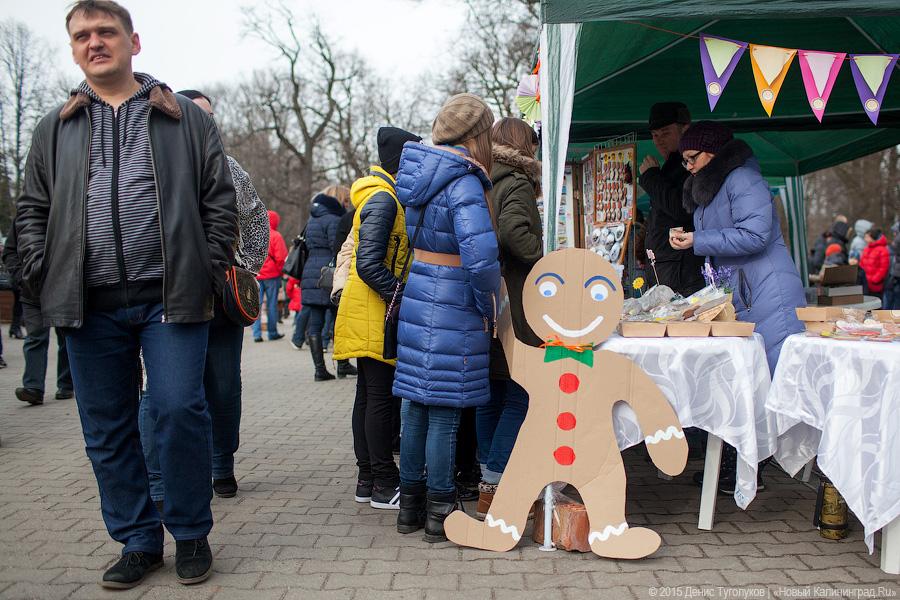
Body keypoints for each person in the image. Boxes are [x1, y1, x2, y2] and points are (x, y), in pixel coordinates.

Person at [15, 1, 238, 588]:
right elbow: (32, 211)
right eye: (82, 35)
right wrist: (43, 273)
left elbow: (220, 202)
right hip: (88, 306)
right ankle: (138, 540)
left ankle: (190, 533)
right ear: (73, 48)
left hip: (171, 298)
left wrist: (207, 267)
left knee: (177, 409)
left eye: (105, 32)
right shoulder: (54, 127)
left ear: (132, 42)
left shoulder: (185, 118)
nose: (94, 42)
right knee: (107, 427)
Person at [138, 88, 269, 510]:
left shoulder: (229, 167)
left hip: (220, 297)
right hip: (167, 295)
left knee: (224, 385)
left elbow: (256, 223)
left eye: (209, 116)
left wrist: (238, 271)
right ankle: (157, 479)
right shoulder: (149, 162)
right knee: (162, 390)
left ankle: (221, 464)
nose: (203, 121)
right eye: (196, 114)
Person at [393, 93, 500, 543]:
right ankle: (440, 509)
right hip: (455, 298)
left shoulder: (419, 174)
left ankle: (411, 506)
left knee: (417, 405)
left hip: (421, 288)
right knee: (445, 411)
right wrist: (489, 306)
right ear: (478, 136)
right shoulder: (465, 181)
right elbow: (480, 258)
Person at [333, 126, 421, 510]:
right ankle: (384, 482)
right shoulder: (385, 200)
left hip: (368, 308)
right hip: (374, 310)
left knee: (369, 396)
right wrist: (400, 295)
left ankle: (368, 479)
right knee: (380, 398)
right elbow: (369, 264)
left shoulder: (383, 196)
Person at [476, 117, 543, 518]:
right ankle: (498, 481)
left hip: (488, 298)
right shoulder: (517, 181)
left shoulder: (485, 177)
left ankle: (487, 481)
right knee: (521, 391)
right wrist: (546, 261)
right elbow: (514, 234)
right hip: (515, 301)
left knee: (493, 392)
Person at [638, 102, 705, 297]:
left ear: (685, 129)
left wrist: (650, 177)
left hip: (680, 271)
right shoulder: (670, 166)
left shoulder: (690, 165)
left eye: (665, 133)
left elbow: (681, 209)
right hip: (668, 267)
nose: (658, 140)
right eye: (654, 135)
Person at [2, 215, 73, 394]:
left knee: (67, 338)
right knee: (35, 337)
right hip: (31, 291)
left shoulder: (65, 209)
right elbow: (10, 252)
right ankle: (33, 387)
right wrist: (21, 278)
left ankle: (66, 385)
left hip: (63, 289)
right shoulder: (23, 217)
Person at [301, 192, 345, 380]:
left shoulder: (311, 221)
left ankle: (319, 370)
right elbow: (337, 248)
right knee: (338, 322)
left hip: (310, 272)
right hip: (327, 275)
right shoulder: (333, 220)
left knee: (315, 324)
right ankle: (342, 364)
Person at [253, 210, 287, 342]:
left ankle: (257, 334)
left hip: (257, 274)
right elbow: (281, 258)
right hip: (272, 275)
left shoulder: (255, 234)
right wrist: (279, 271)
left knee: (256, 305)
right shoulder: (276, 236)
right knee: (272, 305)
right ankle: (272, 332)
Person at [859, 228, 889, 296]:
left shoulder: (882, 250)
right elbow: (861, 264)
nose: (865, 238)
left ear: (873, 237)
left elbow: (883, 268)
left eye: (867, 236)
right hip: (864, 283)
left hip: (875, 285)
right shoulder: (866, 249)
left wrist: (874, 280)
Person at [886, 222, 900, 310]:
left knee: (895, 295)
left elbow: (893, 250)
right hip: (896, 270)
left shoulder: (897, 239)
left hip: (897, 272)